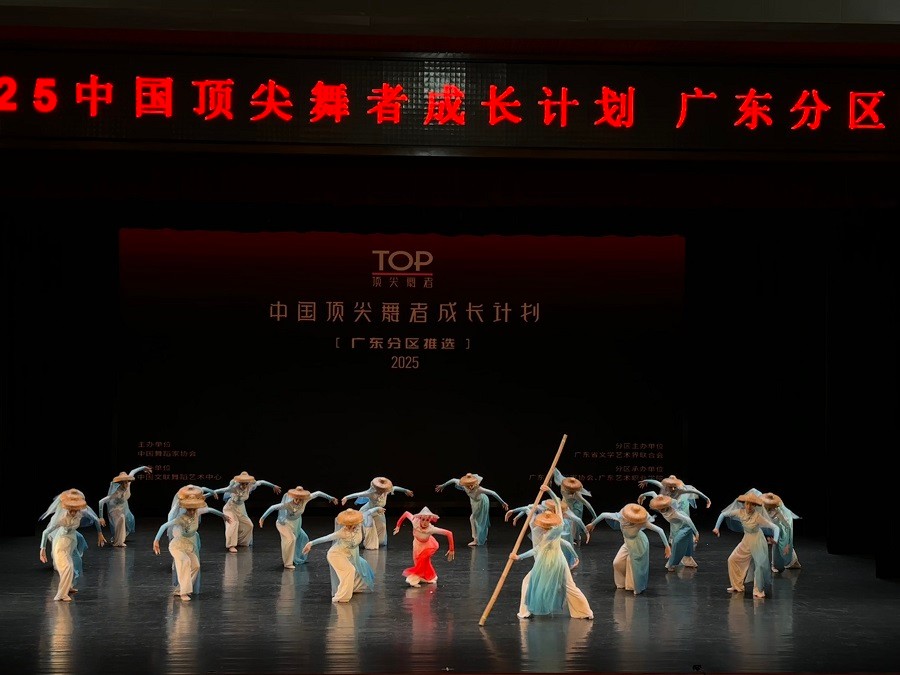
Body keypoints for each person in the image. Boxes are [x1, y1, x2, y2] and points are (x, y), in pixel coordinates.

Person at [508, 490, 593, 620]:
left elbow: (535, 550)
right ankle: (585, 612)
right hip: (559, 561)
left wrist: (519, 557)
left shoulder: (548, 534)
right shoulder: (559, 526)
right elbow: (558, 506)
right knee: (570, 586)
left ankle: (524, 612)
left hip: (547, 563)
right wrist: (549, 491)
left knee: (528, 582)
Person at [152, 492, 232, 601]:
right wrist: (156, 540)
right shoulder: (181, 518)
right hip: (177, 546)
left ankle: (180, 590)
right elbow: (164, 526)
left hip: (188, 546)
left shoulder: (197, 512)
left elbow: (211, 510)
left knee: (196, 566)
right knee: (185, 562)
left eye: (194, 509)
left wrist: (223, 516)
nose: (192, 512)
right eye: (190, 509)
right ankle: (184, 592)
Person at [587, 503, 670, 595]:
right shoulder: (621, 517)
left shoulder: (641, 522)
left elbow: (660, 530)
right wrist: (592, 524)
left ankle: (634, 586)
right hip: (627, 543)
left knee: (633, 564)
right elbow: (603, 515)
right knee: (617, 562)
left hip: (638, 544)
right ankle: (621, 583)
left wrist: (667, 546)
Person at [39, 489, 107, 601]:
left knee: (74, 564)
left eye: (75, 510)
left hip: (71, 542)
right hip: (61, 544)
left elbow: (95, 519)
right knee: (66, 568)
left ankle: (69, 586)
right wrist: (42, 549)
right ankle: (61, 595)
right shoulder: (62, 518)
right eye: (71, 510)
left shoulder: (80, 513)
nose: (73, 512)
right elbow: (46, 532)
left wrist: (100, 533)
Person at [713, 491, 781, 599]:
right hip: (746, 540)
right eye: (747, 503)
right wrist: (717, 528)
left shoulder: (757, 516)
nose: (749, 506)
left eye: (752, 504)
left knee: (759, 565)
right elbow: (723, 514)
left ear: (755, 506)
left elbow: (775, 527)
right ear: (744, 503)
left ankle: (758, 590)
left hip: (757, 540)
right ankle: (737, 585)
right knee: (732, 559)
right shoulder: (740, 512)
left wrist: (775, 540)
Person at [302, 508, 376, 603]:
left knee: (363, 564)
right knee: (350, 570)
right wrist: (311, 543)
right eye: (349, 525)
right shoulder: (343, 532)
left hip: (350, 554)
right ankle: (341, 597)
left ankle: (355, 587)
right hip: (336, 555)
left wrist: (378, 509)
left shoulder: (359, 525)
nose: (352, 526)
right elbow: (326, 538)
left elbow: (368, 512)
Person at [637, 474, 710, 567]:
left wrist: (706, 498)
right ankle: (686, 557)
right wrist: (643, 493)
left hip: (681, 515)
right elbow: (653, 491)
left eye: (674, 487)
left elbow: (693, 492)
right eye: (670, 487)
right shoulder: (661, 499)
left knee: (679, 541)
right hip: (673, 515)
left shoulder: (679, 496)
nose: (672, 489)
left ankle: (673, 562)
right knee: (680, 537)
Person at [259, 485, 339, 569]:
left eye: (300, 499)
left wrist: (331, 498)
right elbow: (272, 507)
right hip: (284, 524)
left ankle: (297, 558)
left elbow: (318, 493)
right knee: (291, 540)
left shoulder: (305, 499)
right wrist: (263, 518)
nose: (298, 501)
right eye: (296, 499)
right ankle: (287, 563)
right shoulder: (287, 504)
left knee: (304, 538)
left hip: (296, 523)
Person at [213, 471, 282, 553]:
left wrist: (273, 486)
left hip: (240, 507)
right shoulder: (234, 488)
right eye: (242, 484)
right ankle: (231, 545)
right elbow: (219, 491)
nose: (244, 486)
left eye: (246, 484)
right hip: (230, 507)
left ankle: (242, 542)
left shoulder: (250, 486)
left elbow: (262, 482)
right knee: (233, 523)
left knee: (249, 525)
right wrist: (206, 495)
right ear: (239, 483)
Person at [435, 472, 508, 546]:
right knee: (477, 519)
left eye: (472, 485)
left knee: (474, 518)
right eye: (468, 486)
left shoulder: (479, 489)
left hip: (481, 502)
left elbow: (493, 493)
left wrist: (503, 502)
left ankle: (476, 539)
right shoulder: (463, 485)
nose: (470, 487)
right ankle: (481, 537)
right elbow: (453, 480)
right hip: (474, 501)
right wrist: (443, 485)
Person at [341, 476, 413, 550]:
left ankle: (379, 541)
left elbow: (395, 488)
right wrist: (346, 498)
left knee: (382, 527)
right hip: (368, 512)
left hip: (378, 512)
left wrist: (406, 491)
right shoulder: (370, 493)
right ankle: (367, 543)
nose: (381, 492)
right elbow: (357, 494)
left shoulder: (386, 491)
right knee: (370, 528)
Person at [392, 506, 455, 587]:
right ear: (420, 518)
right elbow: (406, 513)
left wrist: (451, 549)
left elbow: (449, 533)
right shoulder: (415, 521)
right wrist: (398, 526)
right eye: (423, 519)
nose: (425, 522)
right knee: (418, 563)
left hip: (427, 546)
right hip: (417, 544)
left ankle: (416, 579)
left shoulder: (431, 529)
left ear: (430, 520)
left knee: (423, 561)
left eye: (427, 520)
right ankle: (427, 577)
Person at [98, 465, 153, 547]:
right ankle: (118, 541)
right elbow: (101, 501)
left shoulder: (128, 484)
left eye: (127, 482)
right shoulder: (117, 492)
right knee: (121, 519)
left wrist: (144, 467)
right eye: (124, 482)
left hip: (123, 506)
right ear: (120, 483)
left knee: (129, 520)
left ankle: (119, 539)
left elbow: (133, 471)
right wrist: (101, 517)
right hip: (114, 509)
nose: (126, 484)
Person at [648, 494, 700, 572]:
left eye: (662, 508)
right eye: (659, 508)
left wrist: (696, 532)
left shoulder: (674, 513)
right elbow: (653, 493)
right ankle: (688, 561)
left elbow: (688, 520)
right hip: (678, 526)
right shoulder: (660, 506)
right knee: (686, 545)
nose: (661, 510)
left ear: (666, 506)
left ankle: (671, 563)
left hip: (685, 526)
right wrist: (643, 495)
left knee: (676, 543)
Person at [552, 469, 597, 544]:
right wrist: (552, 471)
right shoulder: (563, 482)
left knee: (574, 523)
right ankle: (564, 536)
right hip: (565, 503)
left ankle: (574, 538)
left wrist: (594, 517)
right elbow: (556, 471)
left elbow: (588, 505)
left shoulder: (577, 495)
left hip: (575, 506)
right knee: (563, 519)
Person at [760, 492, 801, 572]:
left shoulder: (777, 512)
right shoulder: (763, 511)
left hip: (781, 532)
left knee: (779, 549)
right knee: (774, 548)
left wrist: (788, 542)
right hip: (773, 530)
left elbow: (787, 525)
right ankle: (773, 565)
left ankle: (783, 564)